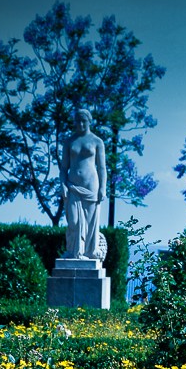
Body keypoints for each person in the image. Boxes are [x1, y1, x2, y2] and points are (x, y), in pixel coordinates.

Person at [60, 109, 107, 260]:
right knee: (73, 221)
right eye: (77, 121)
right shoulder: (69, 142)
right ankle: (73, 251)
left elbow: (102, 167)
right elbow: (63, 168)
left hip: (91, 186)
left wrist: (103, 188)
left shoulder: (97, 141)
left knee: (90, 223)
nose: (80, 124)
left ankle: (87, 252)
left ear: (89, 121)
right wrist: (62, 184)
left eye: (83, 121)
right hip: (72, 185)